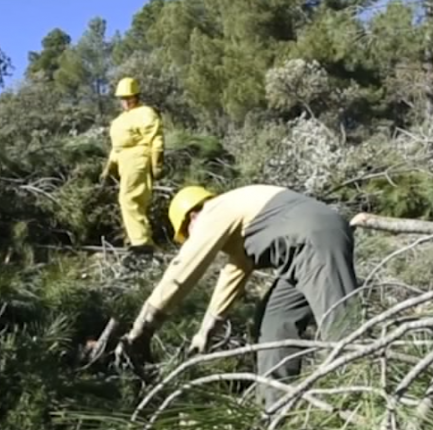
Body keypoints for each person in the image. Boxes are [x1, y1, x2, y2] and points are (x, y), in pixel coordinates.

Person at [114, 184, 360, 409]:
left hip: (313, 240)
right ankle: (273, 409)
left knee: (341, 325)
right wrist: (205, 333)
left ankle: (364, 399)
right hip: (300, 249)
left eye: (187, 234)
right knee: (272, 320)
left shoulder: (214, 211)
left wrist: (143, 328)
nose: (190, 239)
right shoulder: (241, 214)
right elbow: (233, 275)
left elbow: (183, 270)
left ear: (192, 217)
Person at [101, 76, 164, 255]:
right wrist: (108, 169)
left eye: (130, 97)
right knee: (130, 200)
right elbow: (117, 147)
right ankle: (136, 240)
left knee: (129, 198)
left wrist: (157, 163)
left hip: (139, 158)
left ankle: (142, 243)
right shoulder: (120, 120)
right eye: (123, 98)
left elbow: (156, 138)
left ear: (137, 96)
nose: (126, 102)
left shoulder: (145, 112)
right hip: (124, 162)